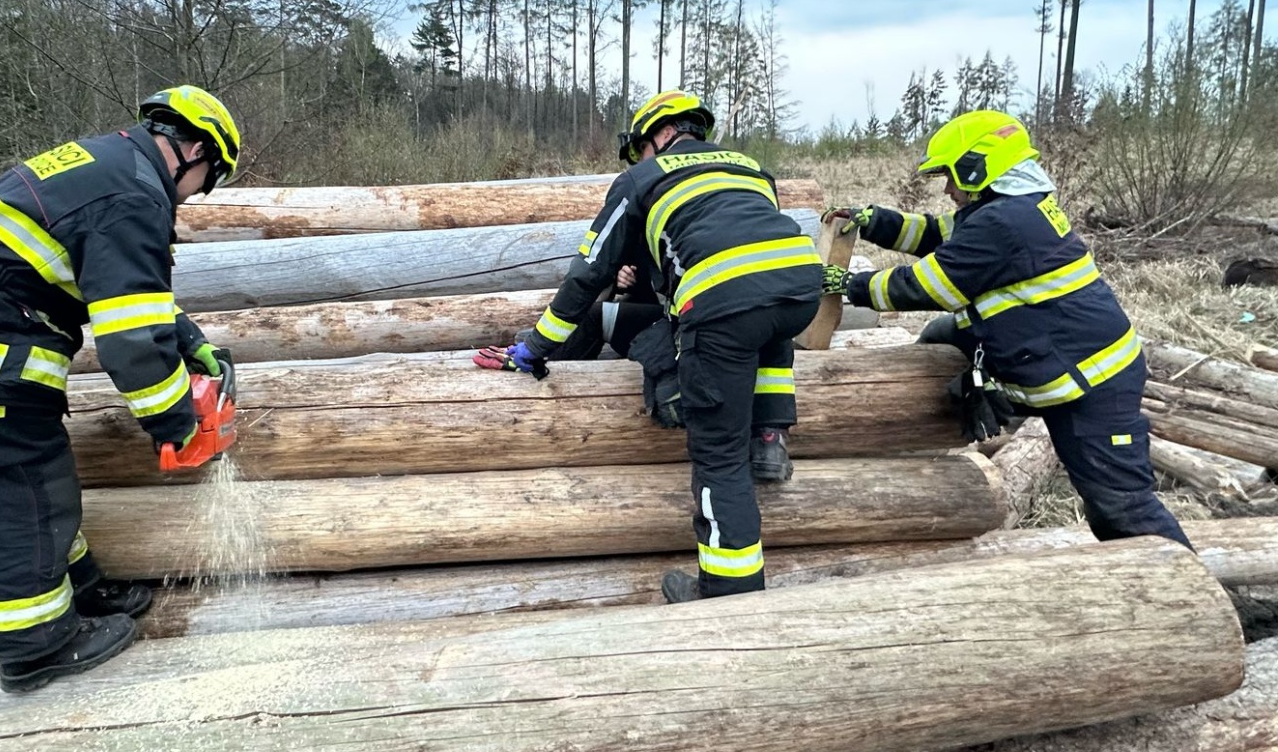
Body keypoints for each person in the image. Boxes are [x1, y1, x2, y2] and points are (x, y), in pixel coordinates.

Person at [0, 86, 242, 691]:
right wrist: (176, 424)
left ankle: (78, 592)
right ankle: (35, 646)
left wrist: (190, 342)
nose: (197, 196)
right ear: (193, 150)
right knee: (22, 498)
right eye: (208, 181)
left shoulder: (107, 166)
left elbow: (122, 289)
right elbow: (131, 342)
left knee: (41, 485)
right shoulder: (134, 194)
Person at [476, 91, 823, 601]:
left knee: (719, 457)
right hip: (801, 285)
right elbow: (739, 252)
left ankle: (730, 591)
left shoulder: (641, 178)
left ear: (656, 138)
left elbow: (586, 274)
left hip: (722, 305)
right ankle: (770, 435)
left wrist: (534, 349)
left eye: (640, 147)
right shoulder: (750, 169)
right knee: (766, 323)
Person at [822, 109, 1192, 549]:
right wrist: (875, 221)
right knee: (943, 334)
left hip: (1091, 383)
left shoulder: (1004, 222)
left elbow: (931, 286)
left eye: (951, 176)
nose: (947, 189)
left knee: (1119, 506)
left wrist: (852, 286)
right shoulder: (1006, 209)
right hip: (1050, 357)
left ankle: (1187, 589)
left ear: (978, 167)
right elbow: (937, 233)